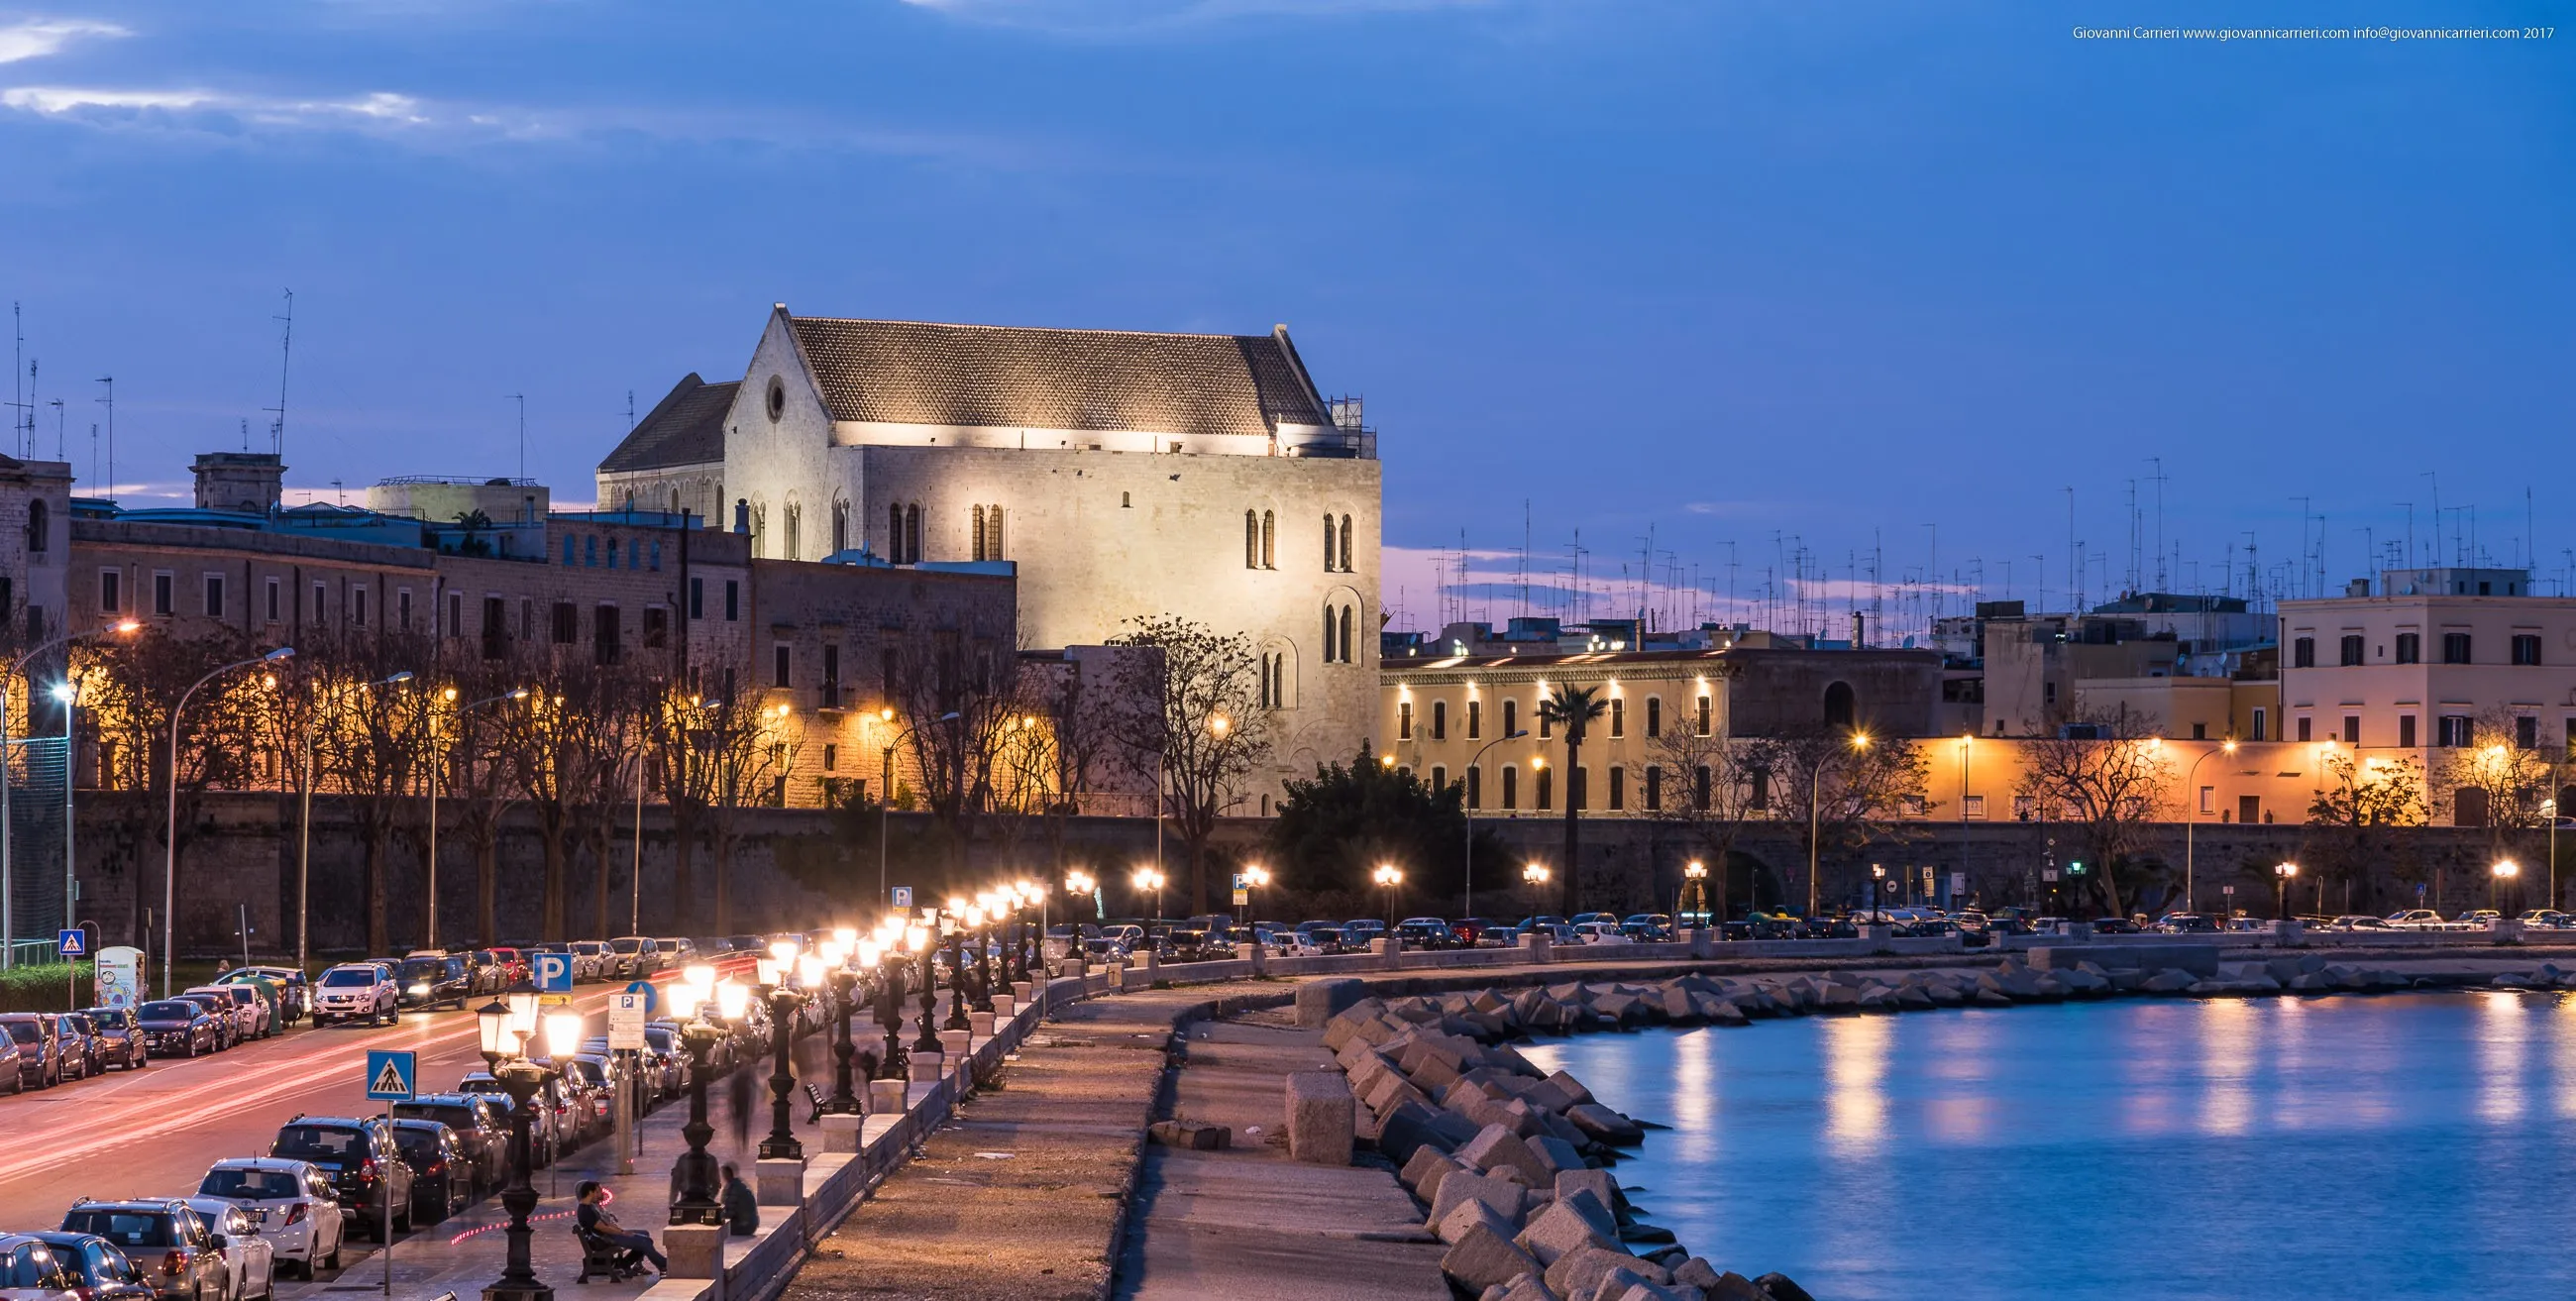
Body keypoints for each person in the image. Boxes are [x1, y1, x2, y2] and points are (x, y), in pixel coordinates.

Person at [575, 1180, 667, 1274]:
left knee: (644, 1236)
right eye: (597, 1191)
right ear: (590, 1192)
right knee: (645, 1241)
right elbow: (603, 1228)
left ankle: (625, 1264)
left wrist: (621, 1230)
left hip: (607, 1236)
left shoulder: (590, 1206)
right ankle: (663, 1265)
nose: (599, 1194)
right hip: (605, 1239)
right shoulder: (586, 1210)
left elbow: (606, 1224)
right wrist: (621, 1233)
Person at [720, 1163, 759, 1237]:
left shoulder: (734, 1188)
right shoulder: (740, 1184)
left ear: (728, 1174)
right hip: (751, 1225)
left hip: (743, 1226)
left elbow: (729, 1212)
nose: (723, 1176)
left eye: (724, 1173)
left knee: (718, 1229)